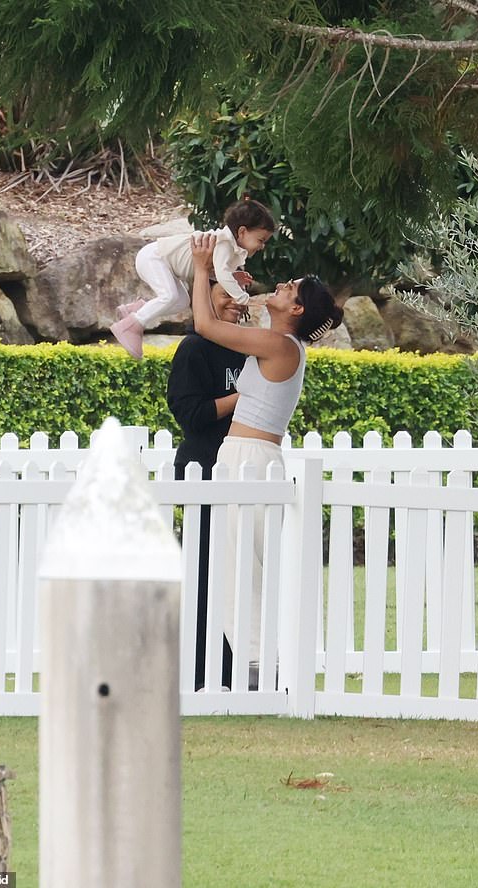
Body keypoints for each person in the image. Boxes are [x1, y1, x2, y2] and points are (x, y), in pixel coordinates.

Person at [189, 232, 344, 689]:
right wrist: (226, 277)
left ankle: (261, 667)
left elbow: (207, 326)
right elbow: (233, 311)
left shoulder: (279, 346)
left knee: (240, 566)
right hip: (245, 456)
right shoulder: (278, 341)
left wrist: (202, 269)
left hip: (250, 458)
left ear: (296, 310)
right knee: (237, 563)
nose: (280, 286)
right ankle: (258, 663)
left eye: (289, 289)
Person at [167, 281, 247, 691]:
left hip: (238, 474)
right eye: (224, 294)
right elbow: (191, 414)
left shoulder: (244, 345)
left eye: (238, 293)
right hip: (203, 470)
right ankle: (203, 669)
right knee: (202, 575)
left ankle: (226, 665)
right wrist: (242, 395)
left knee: (229, 576)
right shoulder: (194, 349)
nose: (235, 301)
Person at [110, 199, 275, 359]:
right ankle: (132, 325)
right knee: (170, 296)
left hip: (164, 264)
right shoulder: (224, 244)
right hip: (154, 257)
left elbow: (215, 272)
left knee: (181, 301)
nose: (262, 246)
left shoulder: (229, 249)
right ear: (242, 232)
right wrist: (242, 297)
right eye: (260, 240)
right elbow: (221, 273)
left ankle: (136, 310)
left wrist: (234, 277)